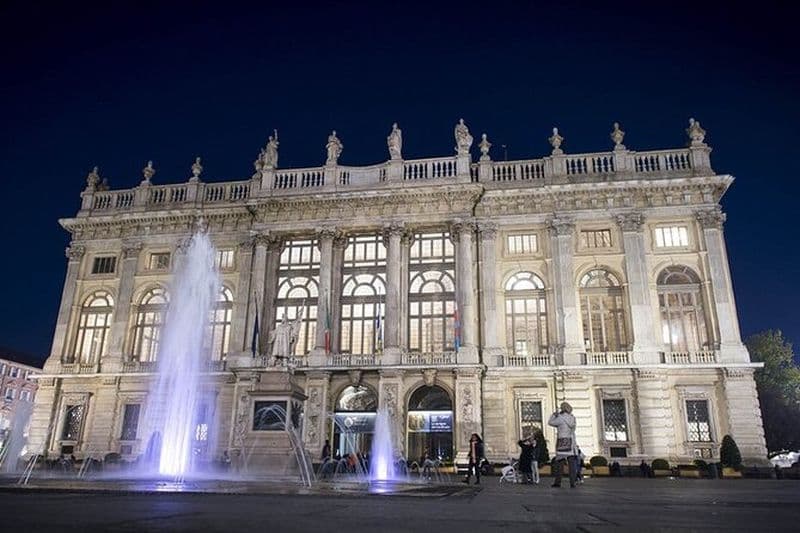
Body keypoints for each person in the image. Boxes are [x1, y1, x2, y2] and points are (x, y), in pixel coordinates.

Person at [548, 402, 579, 488]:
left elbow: (550, 422)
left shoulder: (560, 418)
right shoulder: (572, 418)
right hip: (570, 441)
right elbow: (573, 428)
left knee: (559, 463)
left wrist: (554, 415)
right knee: (571, 464)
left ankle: (558, 482)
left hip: (562, 441)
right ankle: (573, 482)